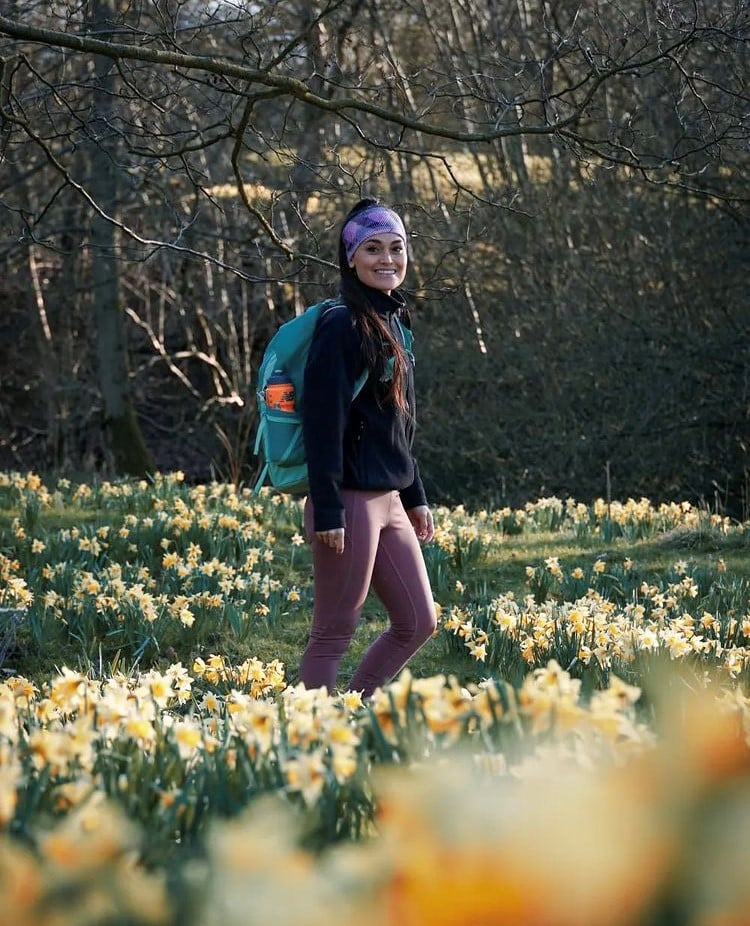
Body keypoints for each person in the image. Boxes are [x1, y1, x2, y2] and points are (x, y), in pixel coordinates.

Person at [299, 198, 437, 698]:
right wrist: (329, 508)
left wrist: (415, 492)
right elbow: (322, 422)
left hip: (390, 499)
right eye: (372, 248)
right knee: (334, 631)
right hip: (349, 500)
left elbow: (397, 420)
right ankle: (309, 737)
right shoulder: (342, 324)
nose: (387, 259)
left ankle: (352, 713)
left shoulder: (394, 320)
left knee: (418, 622)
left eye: (396, 248)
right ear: (350, 257)